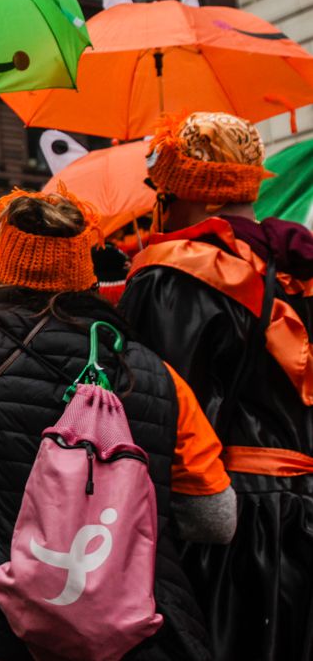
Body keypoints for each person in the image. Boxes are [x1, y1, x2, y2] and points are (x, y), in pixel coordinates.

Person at [0, 146, 236, 661]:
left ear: (1, 262)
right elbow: (217, 519)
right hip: (125, 634)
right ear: (85, 271)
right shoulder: (158, 376)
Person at [118, 111, 313, 660]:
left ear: (196, 196)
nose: (159, 204)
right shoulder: (300, 265)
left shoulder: (170, 275)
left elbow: (155, 414)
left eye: (165, 191)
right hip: (304, 511)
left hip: (224, 523)